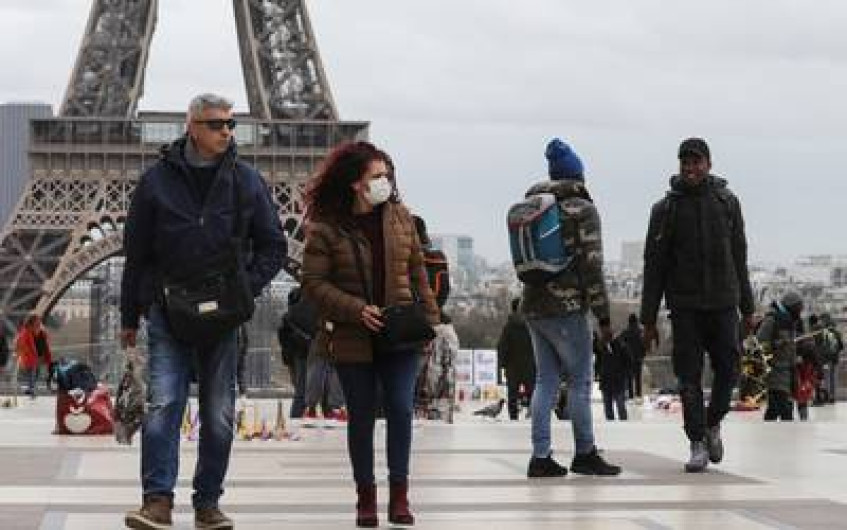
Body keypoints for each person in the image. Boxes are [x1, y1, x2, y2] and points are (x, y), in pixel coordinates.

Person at [120, 93, 285, 530]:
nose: (226, 131)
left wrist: (243, 290)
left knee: (219, 414)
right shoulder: (155, 181)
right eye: (216, 124)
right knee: (164, 404)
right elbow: (134, 255)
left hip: (224, 315)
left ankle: (207, 502)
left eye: (231, 124)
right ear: (191, 126)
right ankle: (157, 500)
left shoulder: (247, 180)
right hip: (168, 311)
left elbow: (274, 246)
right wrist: (128, 317)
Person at [301, 141, 439, 527]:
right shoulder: (327, 227)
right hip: (352, 333)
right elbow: (312, 281)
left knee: (399, 408)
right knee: (361, 416)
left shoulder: (400, 218)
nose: (385, 182)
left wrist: (430, 322)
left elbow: (417, 274)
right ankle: (366, 496)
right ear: (355, 183)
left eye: (387, 175)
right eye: (377, 176)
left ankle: (399, 495)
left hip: (399, 333)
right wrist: (356, 310)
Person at [641, 137, 754, 473]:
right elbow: (654, 267)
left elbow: (740, 258)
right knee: (688, 377)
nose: (690, 168)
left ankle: (713, 423)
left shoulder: (727, 203)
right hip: (686, 305)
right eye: (685, 162)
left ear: (708, 164)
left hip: (723, 303)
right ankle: (696, 442)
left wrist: (747, 309)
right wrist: (648, 320)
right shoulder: (665, 210)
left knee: (729, 370)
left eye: (696, 162)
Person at [520, 138, 621, 478]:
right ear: (578, 174)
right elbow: (592, 267)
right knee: (579, 381)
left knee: (544, 380)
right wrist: (604, 317)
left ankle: (540, 455)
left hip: (533, 304)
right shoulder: (582, 209)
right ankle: (585, 451)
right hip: (567, 306)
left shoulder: (534, 204)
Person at [758, 292, 803, 421]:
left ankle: (771, 433)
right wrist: (778, 344)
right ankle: (785, 434)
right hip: (775, 370)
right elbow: (759, 343)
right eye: (798, 307)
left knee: (776, 408)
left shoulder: (791, 322)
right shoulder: (772, 320)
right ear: (790, 307)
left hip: (789, 370)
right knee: (784, 408)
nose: (799, 311)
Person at [278, 286, 317, 418]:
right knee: (302, 389)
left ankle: (299, 413)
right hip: (302, 355)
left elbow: (284, 341)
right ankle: (298, 414)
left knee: (300, 388)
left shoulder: (288, 318)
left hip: (295, 357)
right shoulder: (295, 318)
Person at [496, 297, 536, 421]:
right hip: (530, 365)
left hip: (512, 367)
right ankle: (533, 415)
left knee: (513, 394)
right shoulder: (532, 325)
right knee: (532, 393)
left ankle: (513, 417)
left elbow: (502, 347)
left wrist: (502, 364)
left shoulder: (508, 326)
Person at [15, 314, 53, 398]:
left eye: (39, 320)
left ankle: (30, 389)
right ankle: (31, 390)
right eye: (37, 320)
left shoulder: (41, 331)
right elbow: (22, 344)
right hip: (30, 355)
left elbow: (45, 342)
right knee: (32, 373)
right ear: (32, 322)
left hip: (38, 355)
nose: (39, 322)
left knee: (36, 373)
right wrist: (24, 353)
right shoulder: (26, 332)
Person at [600, 334, 631, 421]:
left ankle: (623, 424)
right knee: (608, 407)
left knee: (619, 405)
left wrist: (624, 374)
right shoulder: (601, 347)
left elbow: (629, 361)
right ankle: (612, 425)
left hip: (617, 380)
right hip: (607, 380)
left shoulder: (621, 346)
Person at [620, 314, 646, 399]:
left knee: (630, 378)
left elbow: (619, 342)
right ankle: (638, 394)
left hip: (628, 358)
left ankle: (631, 395)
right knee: (638, 378)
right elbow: (644, 344)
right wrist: (643, 354)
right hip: (638, 358)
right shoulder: (640, 331)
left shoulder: (626, 332)